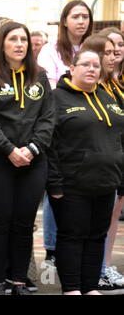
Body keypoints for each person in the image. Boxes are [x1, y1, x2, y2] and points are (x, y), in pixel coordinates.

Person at [0, 21, 55, 295]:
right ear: (1, 44)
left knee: (23, 222)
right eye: (13, 39)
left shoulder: (39, 76)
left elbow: (47, 118)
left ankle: (18, 280)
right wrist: (9, 149)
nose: (20, 44)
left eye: (23, 39)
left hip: (34, 160)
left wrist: (31, 149)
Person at [47, 49, 124, 295]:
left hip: (106, 181)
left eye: (96, 66)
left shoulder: (108, 98)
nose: (92, 69)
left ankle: (90, 287)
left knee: (96, 236)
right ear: (73, 68)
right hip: (72, 183)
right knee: (72, 236)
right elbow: (50, 144)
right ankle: (71, 288)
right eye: (86, 65)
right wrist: (54, 184)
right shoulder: (57, 98)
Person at [37, 0, 93, 267]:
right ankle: (51, 247)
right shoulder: (50, 51)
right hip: (59, 124)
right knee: (56, 188)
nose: (81, 21)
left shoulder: (92, 48)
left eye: (85, 17)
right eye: (76, 16)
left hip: (87, 127)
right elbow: (50, 91)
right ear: (65, 21)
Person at [81, 34, 124, 292]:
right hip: (96, 166)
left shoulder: (114, 85)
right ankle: (96, 270)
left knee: (114, 214)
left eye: (117, 49)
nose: (113, 55)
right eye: (106, 51)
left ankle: (104, 266)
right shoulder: (96, 88)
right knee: (99, 220)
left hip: (117, 160)